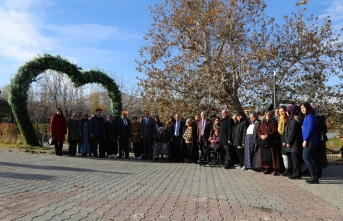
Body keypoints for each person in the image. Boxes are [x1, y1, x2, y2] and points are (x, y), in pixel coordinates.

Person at [300, 102, 319, 184]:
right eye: (301, 108)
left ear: (308, 108)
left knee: (305, 157)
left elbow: (310, 129)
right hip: (309, 140)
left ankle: (313, 176)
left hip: (311, 140)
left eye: (303, 108)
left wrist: (306, 140)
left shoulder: (310, 116)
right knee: (311, 158)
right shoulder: (307, 117)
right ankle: (314, 176)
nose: (302, 109)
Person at [257, 111, 280, 175]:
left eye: (269, 114)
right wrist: (261, 135)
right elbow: (258, 131)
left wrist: (267, 135)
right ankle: (267, 168)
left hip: (271, 141)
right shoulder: (262, 123)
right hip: (264, 141)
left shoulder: (274, 122)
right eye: (266, 114)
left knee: (273, 155)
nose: (268, 115)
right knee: (265, 155)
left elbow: (275, 130)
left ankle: (275, 169)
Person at [285, 105, 303, 179]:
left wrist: (288, 142)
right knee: (295, 159)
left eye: (287, 111)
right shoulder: (292, 120)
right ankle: (296, 173)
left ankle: (296, 174)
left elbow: (292, 132)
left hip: (294, 143)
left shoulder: (294, 121)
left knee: (295, 159)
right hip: (294, 142)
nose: (286, 113)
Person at [312, 104, 328, 178]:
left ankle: (319, 171)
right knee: (313, 156)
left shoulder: (320, 119)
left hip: (319, 140)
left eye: (314, 109)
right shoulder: (311, 117)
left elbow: (324, 130)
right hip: (313, 139)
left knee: (319, 156)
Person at [278, 106, 293, 176]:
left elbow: (288, 131)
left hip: (286, 139)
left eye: (282, 111)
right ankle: (286, 168)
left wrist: (286, 141)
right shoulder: (280, 119)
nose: (281, 112)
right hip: (281, 138)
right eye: (280, 111)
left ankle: (288, 169)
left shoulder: (287, 120)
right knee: (284, 155)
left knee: (286, 155)